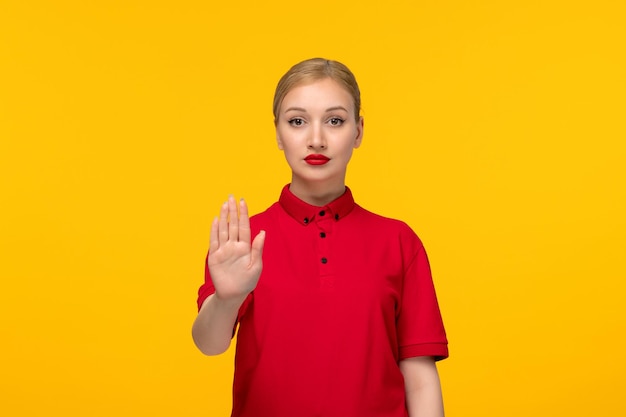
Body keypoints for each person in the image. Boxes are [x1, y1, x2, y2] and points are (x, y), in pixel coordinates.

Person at [192, 58, 448, 417]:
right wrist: (227, 298)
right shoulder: (242, 240)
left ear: (358, 132)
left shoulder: (399, 241)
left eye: (335, 120)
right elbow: (209, 344)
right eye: (297, 121)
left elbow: (419, 375)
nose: (316, 139)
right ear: (278, 134)